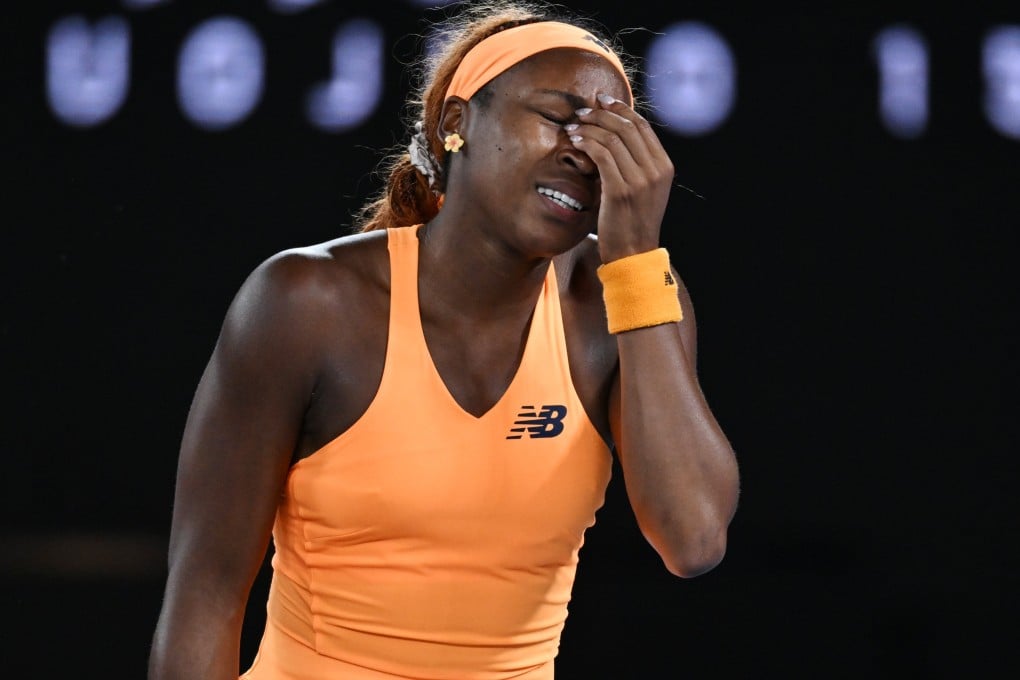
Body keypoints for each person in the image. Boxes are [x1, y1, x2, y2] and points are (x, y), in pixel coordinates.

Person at [147, 1, 740, 678]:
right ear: (457, 123)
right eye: (560, 116)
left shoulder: (622, 302)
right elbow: (207, 594)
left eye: (612, 132)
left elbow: (693, 540)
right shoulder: (306, 304)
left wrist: (637, 260)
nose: (585, 150)